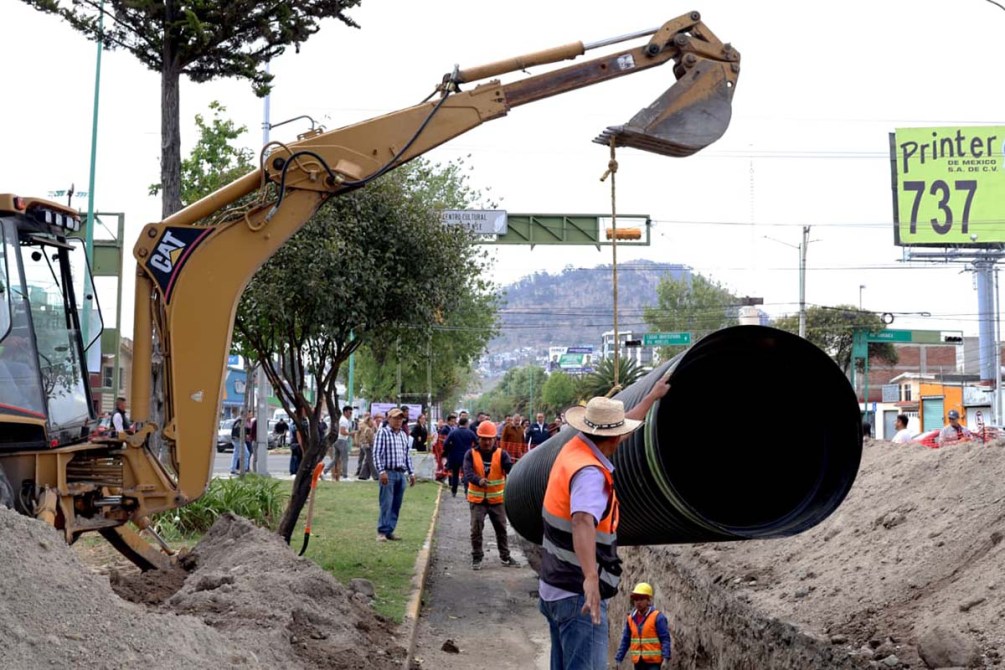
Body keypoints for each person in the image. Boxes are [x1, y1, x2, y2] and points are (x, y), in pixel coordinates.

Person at [538, 379, 670, 670]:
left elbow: (619, 431)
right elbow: (583, 520)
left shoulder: (576, 448)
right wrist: (590, 578)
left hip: (553, 588)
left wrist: (652, 397)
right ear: (611, 438)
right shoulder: (590, 473)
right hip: (579, 598)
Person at [463, 421, 520, 570]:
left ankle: (505, 556)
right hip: (477, 500)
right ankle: (477, 557)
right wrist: (478, 480)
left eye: (490, 439)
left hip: (497, 500)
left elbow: (511, 471)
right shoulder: (471, 454)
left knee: (501, 529)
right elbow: (468, 473)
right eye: (484, 438)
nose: (487, 442)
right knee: (476, 529)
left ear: (495, 439)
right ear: (478, 438)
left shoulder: (502, 454)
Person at [373, 407, 415, 541]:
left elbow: (406, 455)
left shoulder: (403, 435)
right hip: (388, 473)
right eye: (395, 418)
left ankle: (390, 530)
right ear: (389, 418)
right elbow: (376, 454)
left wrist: (411, 473)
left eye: (401, 418)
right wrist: (381, 471)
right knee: (386, 503)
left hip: (401, 473)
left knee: (396, 504)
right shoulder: (383, 432)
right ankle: (382, 531)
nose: (398, 421)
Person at [614, 582, 672, 669]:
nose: (638, 602)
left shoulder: (657, 617)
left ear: (648, 600)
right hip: (638, 663)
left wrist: (665, 658)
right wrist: (619, 659)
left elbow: (665, 639)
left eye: (641, 599)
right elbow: (625, 640)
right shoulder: (631, 619)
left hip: (653, 663)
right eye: (636, 599)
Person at [444, 416, 478, 498]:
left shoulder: (453, 432)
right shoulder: (470, 433)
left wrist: (449, 450)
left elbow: (446, 444)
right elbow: (477, 442)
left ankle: (454, 491)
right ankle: (466, 491)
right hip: (467, 456)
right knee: (466, 474)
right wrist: (473, 450)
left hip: (454, 456)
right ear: (466, 424)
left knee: (455, 474)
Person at [324, 406, 353, 481]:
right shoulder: (344, 420)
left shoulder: (342, 419)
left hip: (337, 440)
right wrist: (350, 433)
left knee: (335, 459)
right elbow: (342, 431)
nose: (351, 414)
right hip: (342, 440)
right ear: (345, 412)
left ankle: (324, 471)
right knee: (345, 459)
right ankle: (345, 476)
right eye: (350, 412)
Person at [355, 413, 377, 480]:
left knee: (367, 460)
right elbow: (366, 437)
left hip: (365, 444)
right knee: (371, 461)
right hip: (368, 445)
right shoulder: (367, 429)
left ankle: (363, 475)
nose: (373, 422)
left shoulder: (367, 427)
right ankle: (376, 475)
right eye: (371, 421)